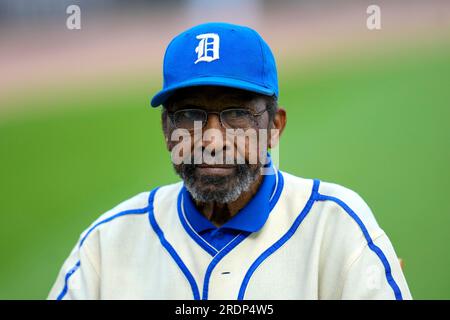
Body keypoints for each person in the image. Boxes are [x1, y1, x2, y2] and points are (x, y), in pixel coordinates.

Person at [48, 22, 411, 300]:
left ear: (274, 127)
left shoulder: (338, 228)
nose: (211, 137)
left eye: (236, 113)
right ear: (166, 127)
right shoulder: (106, 244)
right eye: (189, 114)